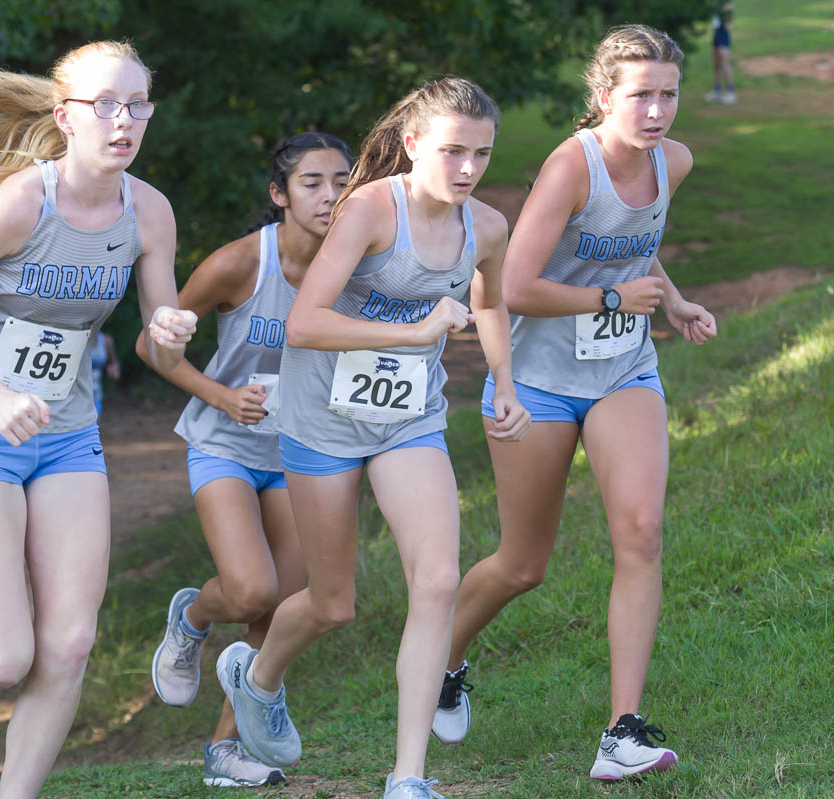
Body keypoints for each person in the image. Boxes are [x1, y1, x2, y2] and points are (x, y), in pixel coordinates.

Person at [0, 40, 197, 798]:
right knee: (3, 659)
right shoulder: (25, 202)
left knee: (71, 641)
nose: (124, 121)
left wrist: (169, 329)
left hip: (66, 436)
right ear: (66, 115)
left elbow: (158, 328)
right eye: (106, 105)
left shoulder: (148, 210)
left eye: (138, 106)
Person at [214, 78, 531, 799]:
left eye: (481, 153)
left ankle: (409, 777)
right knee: (331, 603)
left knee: (439, 579)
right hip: (321, 418)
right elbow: (303, 324)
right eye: (452, 150)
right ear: (414, 144)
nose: (468, 169)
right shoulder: (368, 211)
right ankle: (255, 675)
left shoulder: (486, 225)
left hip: (407, 418)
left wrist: (501, 382)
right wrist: (412, 331)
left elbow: (490, 296)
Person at [429, 24, 717, 781]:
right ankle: (442, 659)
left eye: (668, 94)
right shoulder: (570, 167)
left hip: (624, 368)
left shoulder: (673, 162)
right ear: (602, 97)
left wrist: (676, 302)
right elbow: (512, 284)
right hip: (538, 379)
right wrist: (613, 295)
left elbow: (635, 237)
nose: (657, 112)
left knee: (643, 531)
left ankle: (621, 729)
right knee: (523, 563)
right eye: (640, 96)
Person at [140, 132, 353, 788]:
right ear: (278, 194)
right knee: (251, 588)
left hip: (299, 453)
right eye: (312, 182)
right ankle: (193, 616)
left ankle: (226, 750)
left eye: (342, 181)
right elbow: (155, 348)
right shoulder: (238, 264)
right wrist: (222, 396)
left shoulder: (357, 267)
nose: (330, 195)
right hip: (225, 443)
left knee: (278, 608)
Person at [704, 3, 736, 104]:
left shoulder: (726, 5)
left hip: (723, 36)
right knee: (717, 64)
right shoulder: (716, 5)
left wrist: (726, 17)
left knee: (725, 64)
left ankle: (731, 92)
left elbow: (728, 24)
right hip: (716, 35)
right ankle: (717, 91)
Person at [89, 330, 120, 416]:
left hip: (96, 389)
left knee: (96, 419)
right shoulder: (78, 339)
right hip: (78, 390)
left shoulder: (106, 340)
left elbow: (112, 362)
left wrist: (113, 370)